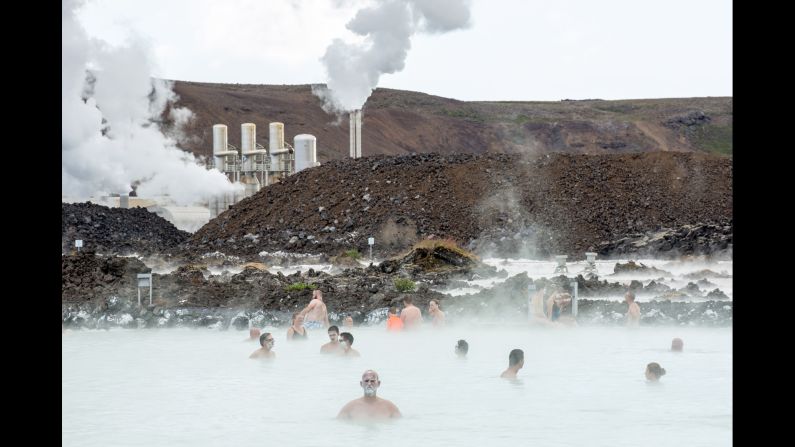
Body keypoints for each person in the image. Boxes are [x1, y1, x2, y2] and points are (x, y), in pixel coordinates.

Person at [337, 370, 401, 420]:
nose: (369, 384)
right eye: (366, 381)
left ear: (378, 383)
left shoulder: (390, 407)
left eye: (372, 381)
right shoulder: (350, 408)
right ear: (361, 384)